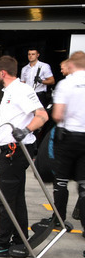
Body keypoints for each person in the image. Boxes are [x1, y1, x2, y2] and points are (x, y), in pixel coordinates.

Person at [0, 56, 48, 258]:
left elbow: (42, 116)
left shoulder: (20, 90)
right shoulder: (11, 90)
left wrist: (25, 131)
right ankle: (19, 239)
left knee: (6, 199)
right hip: (10, 150)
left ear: (3, 73)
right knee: (15, 198)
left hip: (16, 149)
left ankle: (2, 244)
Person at [48, 50, 85, 236]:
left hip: (68, 136)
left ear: (71, 65)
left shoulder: (66, 83)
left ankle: (59, 219)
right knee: (84, 186)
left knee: (61, 181)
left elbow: (57, 114)